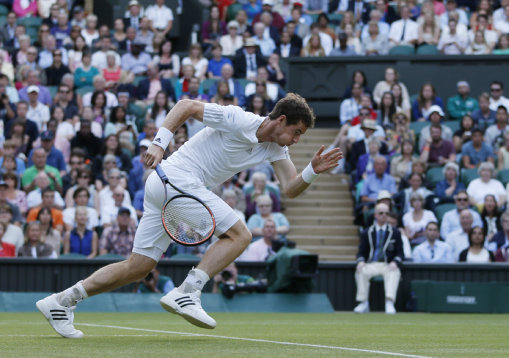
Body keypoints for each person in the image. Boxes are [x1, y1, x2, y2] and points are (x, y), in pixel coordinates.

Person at [36, 94, 342, 337]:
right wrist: (159, 143)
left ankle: (61, 302)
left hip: (166, 188)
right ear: (283, 120)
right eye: (297, 132)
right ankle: (188, 291)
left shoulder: (275, 150)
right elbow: (186, 106)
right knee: (241, 235)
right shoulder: (238, 118)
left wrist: (312, 172)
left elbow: (290, 188)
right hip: (176, 179)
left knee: (138, 267)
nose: (297, 140)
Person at [354, 203, 403, 315]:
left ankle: (389, 302)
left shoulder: (395, 232)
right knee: (361, 270)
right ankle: (363, 302)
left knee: (394, 271)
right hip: (371, 264)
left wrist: (395, 262)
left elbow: (400, 253)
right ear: (375, 215)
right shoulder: (367, 232)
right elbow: (361, 252)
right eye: (381, 213)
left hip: (387, 264)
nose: (384, 216)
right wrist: (361, 261)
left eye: (386, 213)